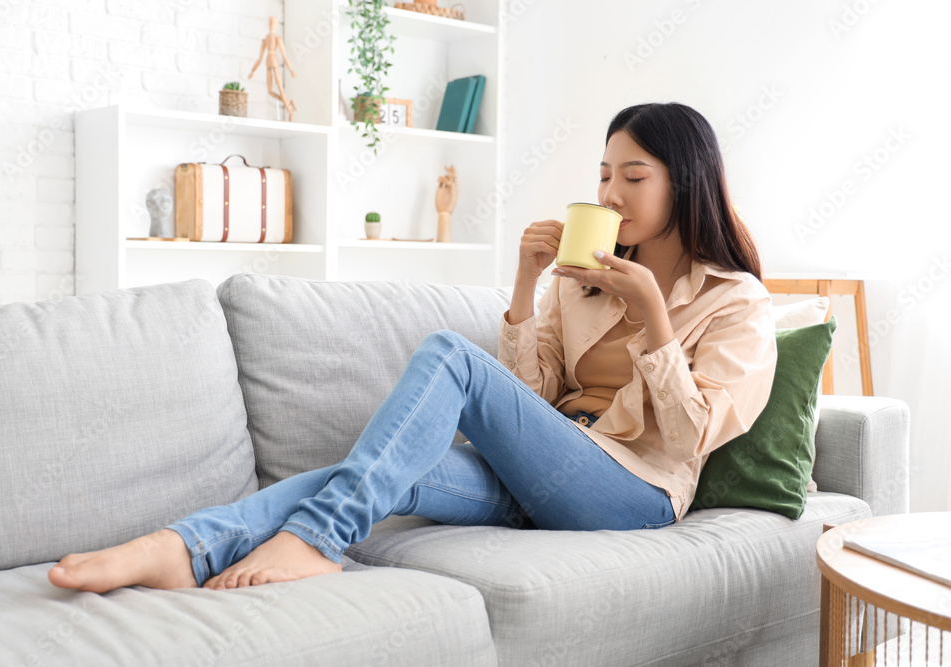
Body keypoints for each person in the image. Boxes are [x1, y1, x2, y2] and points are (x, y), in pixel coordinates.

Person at [47, 102, 777, 594]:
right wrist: (527, 286)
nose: (610, 193)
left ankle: (316, 542)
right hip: (543, 470)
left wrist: (653, 313)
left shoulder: (735, 301)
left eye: (633, 176)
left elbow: (689, 437)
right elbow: (525, 399)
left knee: (450, 355)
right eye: (603, 174)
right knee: (377, 467)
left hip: (632, 491)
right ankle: (183, 547)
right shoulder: (582, 282)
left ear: (686, 186)